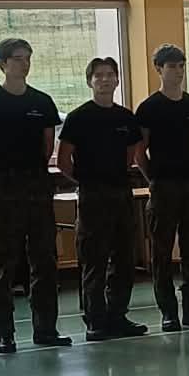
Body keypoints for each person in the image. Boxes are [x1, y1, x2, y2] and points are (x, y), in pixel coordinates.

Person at [0, 36, 69, 355]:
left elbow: (47, 146)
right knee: (4, 261)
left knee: (44, 259)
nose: (24, 64)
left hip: (37, 187)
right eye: (17, 58)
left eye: (27, 58)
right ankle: (4, 332)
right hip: (4, 188)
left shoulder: (42, 102)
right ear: (3, 64)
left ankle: (46, 327)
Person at [57, 55, 148, 342]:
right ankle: (95, 321)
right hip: (92, 196)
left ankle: (117, 315)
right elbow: (63, 161)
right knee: (94, 259)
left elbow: (130, 156)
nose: (105, 79)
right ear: (90, 81)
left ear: (117, 80)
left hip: (121, 193)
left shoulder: (125, 117)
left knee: (124, 258)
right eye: (99, 75)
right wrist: (87, 180)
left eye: (110, 74)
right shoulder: (78, 117)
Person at [134, 44, 189, 332]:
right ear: (159, 69)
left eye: (181, 66)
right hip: (163, 187)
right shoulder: (148, 108)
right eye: (172, 67)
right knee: (162, 251)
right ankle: (168, 311)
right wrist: (154, 179)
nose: (178, 72)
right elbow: (140, 152)